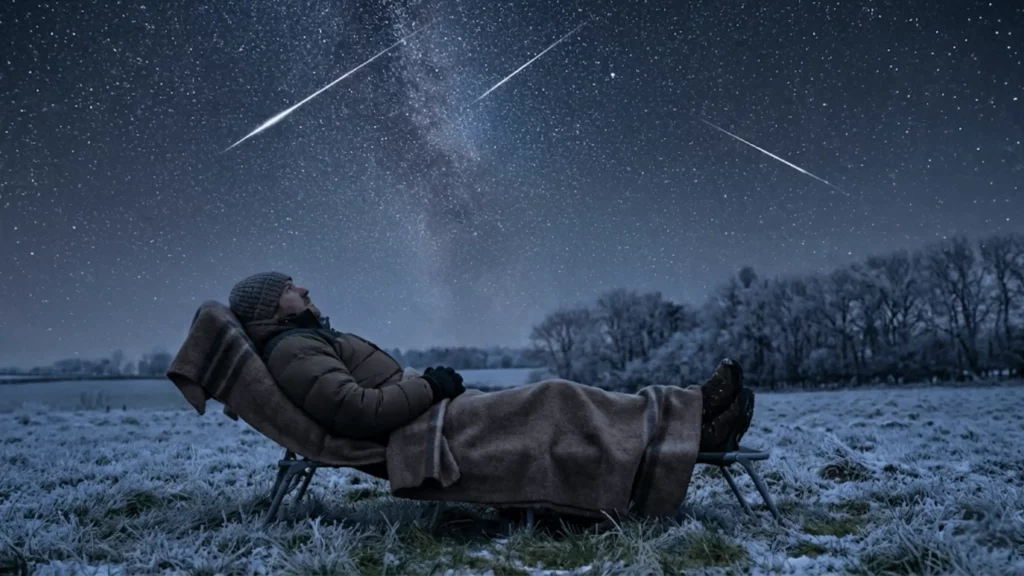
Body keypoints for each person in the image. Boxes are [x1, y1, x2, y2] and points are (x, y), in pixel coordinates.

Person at [227, 271, 755, 453]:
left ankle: (690, 412)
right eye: (290, 287)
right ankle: (694, 427)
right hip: (419, 431)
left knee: (559, 398)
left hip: (426, 418)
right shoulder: (294, 349)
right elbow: (357, 411)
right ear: (271, 307)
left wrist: (428, 389)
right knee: (557, 398)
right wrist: (431, 388)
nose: (303, 288)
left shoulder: (301, 342)